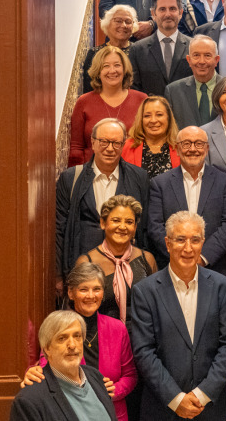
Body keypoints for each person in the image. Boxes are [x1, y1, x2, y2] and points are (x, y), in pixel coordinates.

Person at [130, 211, 226, 421]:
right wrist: (176, 398)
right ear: (167, 243)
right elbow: (144, 351)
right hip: (163, 408)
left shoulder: (221, 286)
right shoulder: (145, 291)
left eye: (195, 240)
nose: (188, 248)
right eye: (180, 240)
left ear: (202, 243)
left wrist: (202, 394)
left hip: (211, 408)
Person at [21, 264, 138, 421]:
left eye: (96, 289)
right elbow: (45, 367)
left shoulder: (117, 328)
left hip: (113, 413)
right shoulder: (57, 328)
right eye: (83, 289)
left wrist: (114, 390)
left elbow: (130, 375)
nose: (91, 295)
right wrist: (34, 372)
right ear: (70, 293)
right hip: (70, 412)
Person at [56, 118, 149, 288]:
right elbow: (59, 228)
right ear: (92, 142)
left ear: (123, 145)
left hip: (126, 270)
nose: (110, 148)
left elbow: (144, 226)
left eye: (116, 143)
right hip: (82, 268)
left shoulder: (139, 178)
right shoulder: (71, 178)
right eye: (104, 141)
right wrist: (58, 276)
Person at [147, 126, 226, 274]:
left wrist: (202, 257)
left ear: (207, 148)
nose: (193, 149)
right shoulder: (160, 183)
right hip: (171, 268)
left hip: (213, 268)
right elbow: (155, 226)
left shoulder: (224, 181)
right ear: (177, 148)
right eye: (186, 144)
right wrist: (180, 256)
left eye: (199, 144)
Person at [10, 310, 117, 421]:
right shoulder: (29, 400)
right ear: (47, 348)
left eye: (77, 336)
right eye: (62, 338)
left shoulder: (96, 377)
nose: (72, 345)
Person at [75, 195, 157, 328]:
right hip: (102, 335)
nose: (123, 227)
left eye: (129, 222)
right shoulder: (86, 262)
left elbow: (155, 304)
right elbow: (80, 308)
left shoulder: (147, 259)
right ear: (103, 223)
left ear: (135, 227)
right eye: (116, 220)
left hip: (141, 336)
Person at [69, 46, 147, 167]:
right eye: (106, 66)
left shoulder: (142, 100)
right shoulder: (84, 102)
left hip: (133, 174)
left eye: (117, 65)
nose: (112, 71)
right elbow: (76, 148)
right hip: (91, 174)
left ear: (125, 69)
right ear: (98, 71)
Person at [129, 0, 192, 96]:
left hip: (184, 111)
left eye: (172, 9)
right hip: (151, 111)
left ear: (180, 13)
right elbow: (134, 89)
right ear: (153, 13)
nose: (168, 14)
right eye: (162, 9)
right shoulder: (137, 49)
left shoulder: (193, 46)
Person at [164, 35, 221, 129]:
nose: (202, 61)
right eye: (196, 55)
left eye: (207, 55)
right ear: (189, 60)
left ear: (216, 60)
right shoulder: (173, 92)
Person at [121, 95, 181, 179]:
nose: (153, 120)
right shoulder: (126, 147)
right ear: (141, 120)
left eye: (159, 115)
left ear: (168, 118)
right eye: (147, 116)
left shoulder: (181, 147)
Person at [82, 5, 138, 94]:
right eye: (118, 21)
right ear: (107, 24)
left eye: (128, 21)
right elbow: (89, 89)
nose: (123, 25)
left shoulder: (140, 51)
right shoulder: (95, 53)